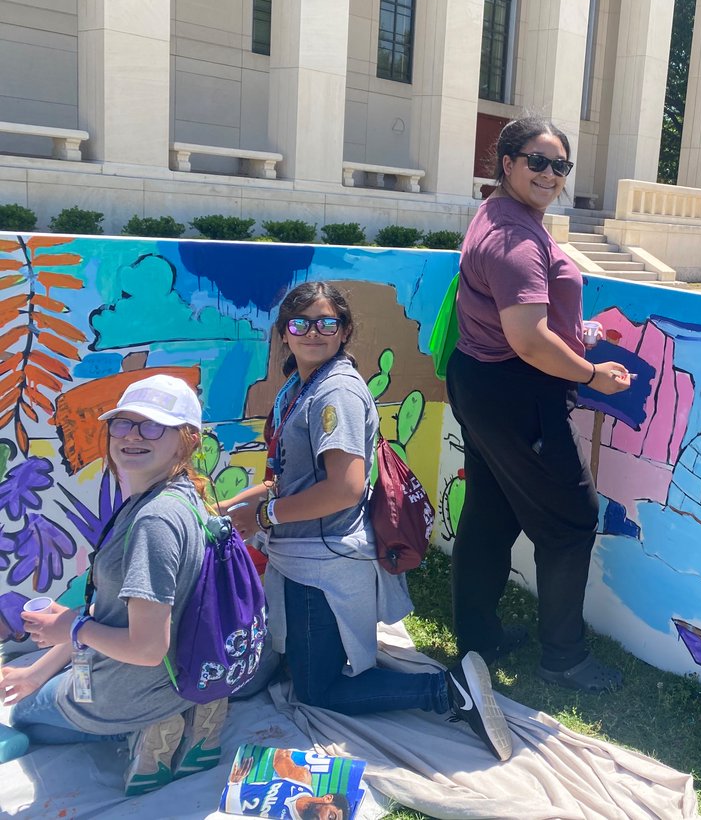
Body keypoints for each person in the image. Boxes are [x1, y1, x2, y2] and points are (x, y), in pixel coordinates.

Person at [222, 282, 512, 761]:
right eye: (300, 323)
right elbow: (286, 480)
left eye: (326, 323)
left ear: (344, 331)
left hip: (323, 561)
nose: (313, 332)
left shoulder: (334, 393)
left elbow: (345, 488)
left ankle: (448, 692)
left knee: (319, 690)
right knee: (297, 660)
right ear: (284, 334)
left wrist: (266, 515)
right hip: (301, 551)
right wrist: (230, 511)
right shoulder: (299, 387)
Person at [448, 116, 631, 693]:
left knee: (491, 513)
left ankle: (478, 640)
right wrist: (591, 373)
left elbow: (531, 322)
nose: (550, 174)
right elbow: (527, 339)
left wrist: (581, 332)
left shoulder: (502, 217)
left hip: (482, 381)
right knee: (572, 521)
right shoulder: (516, 241)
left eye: (560, 165)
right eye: (538, 161)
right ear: (506, 163)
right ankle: (564, 658)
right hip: (516, 391)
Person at [0, 375, 229, 795]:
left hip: (135, 687)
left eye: (152, 425)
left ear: (187, 440)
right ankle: (193, 718)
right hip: (189, 672)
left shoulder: (152, 522)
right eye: (123, 423)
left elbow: (145, 647)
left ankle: (143, 729)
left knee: (27, 717)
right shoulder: (187, 498)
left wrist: (71, 628)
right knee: (41, 682)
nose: (132, 435)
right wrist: (39, 666)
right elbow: (112, 615)